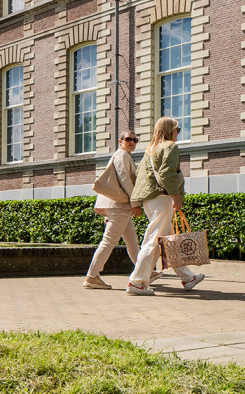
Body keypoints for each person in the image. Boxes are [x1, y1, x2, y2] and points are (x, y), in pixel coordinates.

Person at [125, 116, 205, 295]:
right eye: (177, 129)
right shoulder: (170, 147)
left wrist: (136, 202)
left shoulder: (149, 150)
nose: (178, 132)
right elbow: (167, 174)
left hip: (149, 200)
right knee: (153, 240)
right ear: (170, 130)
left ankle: (188, 277)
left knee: (165, 241)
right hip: (162, 198)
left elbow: (139, 178)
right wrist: (175, 197)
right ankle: (136, 282)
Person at [83, 130, 150, 289]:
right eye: (128, 139)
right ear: (120, 141)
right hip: (119, 207)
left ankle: (144, 272)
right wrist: (135, 202)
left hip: (120, 207)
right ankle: (92, 276)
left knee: (132, 243)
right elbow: (124, 178)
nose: (132, 142)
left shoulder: (126, 156)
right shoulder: (121, 155)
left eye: (135, 139)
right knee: (108, 241)